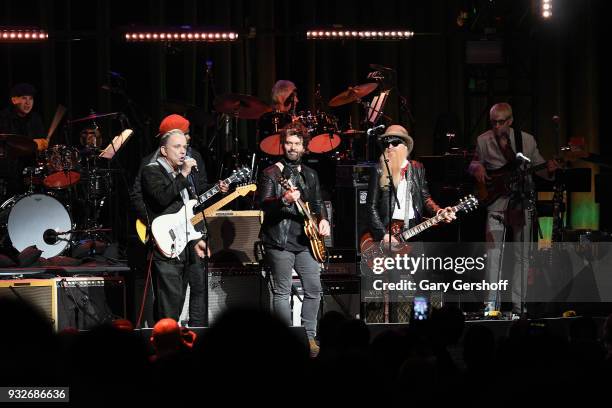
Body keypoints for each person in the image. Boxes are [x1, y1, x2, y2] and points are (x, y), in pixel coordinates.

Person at [469, 102, 559, 317]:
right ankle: (491, 306)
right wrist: (478, 167)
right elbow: (472, 163)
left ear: (510, 121)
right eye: (493, 122)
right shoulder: (483, 140)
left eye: (501, 122)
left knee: (522, 257)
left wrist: (551, 170)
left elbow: (540, 168)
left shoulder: (526, 140)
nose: (497, 126)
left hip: (521, 203)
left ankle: (520, 307)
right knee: (493, 256)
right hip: (495, 204)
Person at [365, 125, 455, 322]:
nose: (390, 146)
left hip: (414, 234)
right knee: (395, 288)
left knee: (423, 286)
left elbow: (425, 197)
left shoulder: (417, 168)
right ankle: (396, 329)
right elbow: (370, 207)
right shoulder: (380, 169)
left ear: (405, 145)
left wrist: (439, 211)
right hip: (390, 234)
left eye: (395, 142)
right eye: (386, 142)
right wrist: (383, 234)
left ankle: (420, 323)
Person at [258, 121, 330, 357]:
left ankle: (308, 337)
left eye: (297, 144)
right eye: (288, 143)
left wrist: (323, 220)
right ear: (283, 145)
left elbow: (318, 204)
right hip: (279, 241)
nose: (292, 147)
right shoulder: (271, 173)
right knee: (282, 292)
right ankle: (283, 340)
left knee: (314, 289)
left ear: (304, 147)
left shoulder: (311, 174)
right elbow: (264, 206)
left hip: (306, 242)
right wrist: (285, 201)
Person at [141, 128, 221, 326]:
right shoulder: (152, 170)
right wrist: (184, 174)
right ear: (164, 150)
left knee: (178, 302)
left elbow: (188, 214)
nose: (182, 151)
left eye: (185, 147)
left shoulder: (183, 176)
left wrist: (197, 239)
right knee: (169, 305)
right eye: (176, 147)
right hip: (165, 246)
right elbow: (161, 198)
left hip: (183, 246)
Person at [0, 83, 49, 196]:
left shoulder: (35, 118)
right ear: (14, 100)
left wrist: (43, 144)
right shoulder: (3, 118)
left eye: (31, 99)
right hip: (9, 170)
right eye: (24, 98)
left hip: (31, 169)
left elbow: (41, 143)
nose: (28, 103)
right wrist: (32, 144)